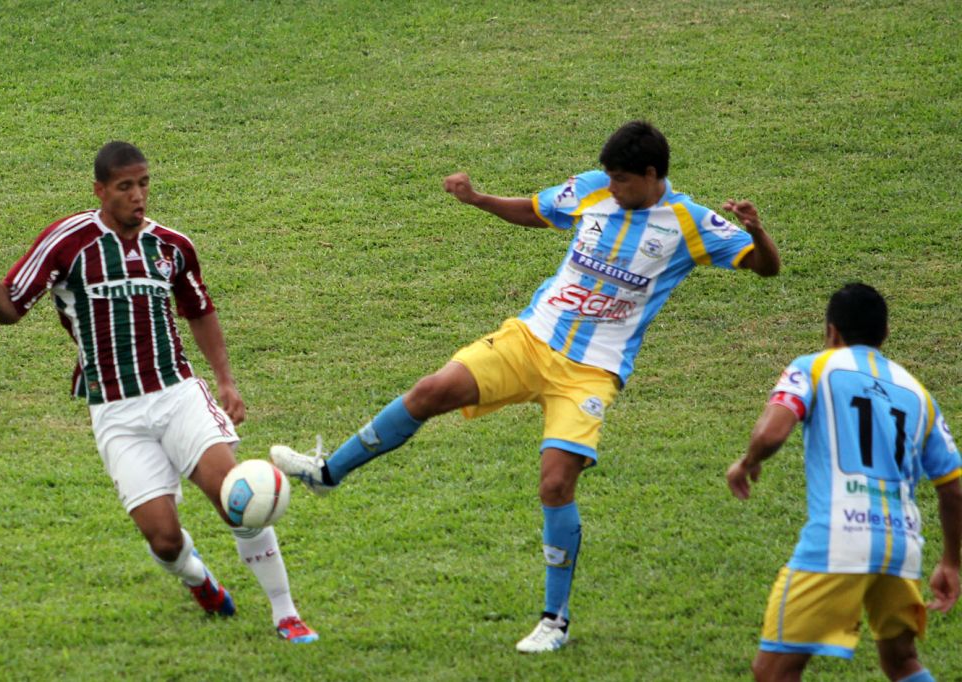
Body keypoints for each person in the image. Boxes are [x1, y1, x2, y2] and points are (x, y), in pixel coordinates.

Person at [271, 120, 780, 652]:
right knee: (430, 391)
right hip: (530, 340)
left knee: (556, 484)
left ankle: (554, 621)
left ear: (653, 175)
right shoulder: (593, 189)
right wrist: (478, 199)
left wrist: (758, 232)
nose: (611, 188)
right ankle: (328, 474)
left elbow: (765, 268)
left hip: (591, 371)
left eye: (622, 180)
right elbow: (536, 211)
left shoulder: (689, 224)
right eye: (607, 177)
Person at [0, 141, 318, 644]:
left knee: (237, 498)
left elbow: (200, 310)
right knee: (164, 540)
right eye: (125, 186)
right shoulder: (67, 242)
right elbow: (10, 310)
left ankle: (286, 612)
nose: (138, 195)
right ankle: (198, 579)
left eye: (144, 183)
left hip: (177, 395)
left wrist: (226, 380)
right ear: (100, 190)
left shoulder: (172, 246)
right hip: (116, 411)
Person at [726, 283, 962, 681]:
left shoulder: (815, 366)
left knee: (773, 670)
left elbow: (771, 433)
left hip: (838, 540)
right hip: (901, 546)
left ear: (831, 331)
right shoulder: (918, 393)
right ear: (885, 334)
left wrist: (748, 462)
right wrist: (952, 560)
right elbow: (953, 486)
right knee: (902, 661)